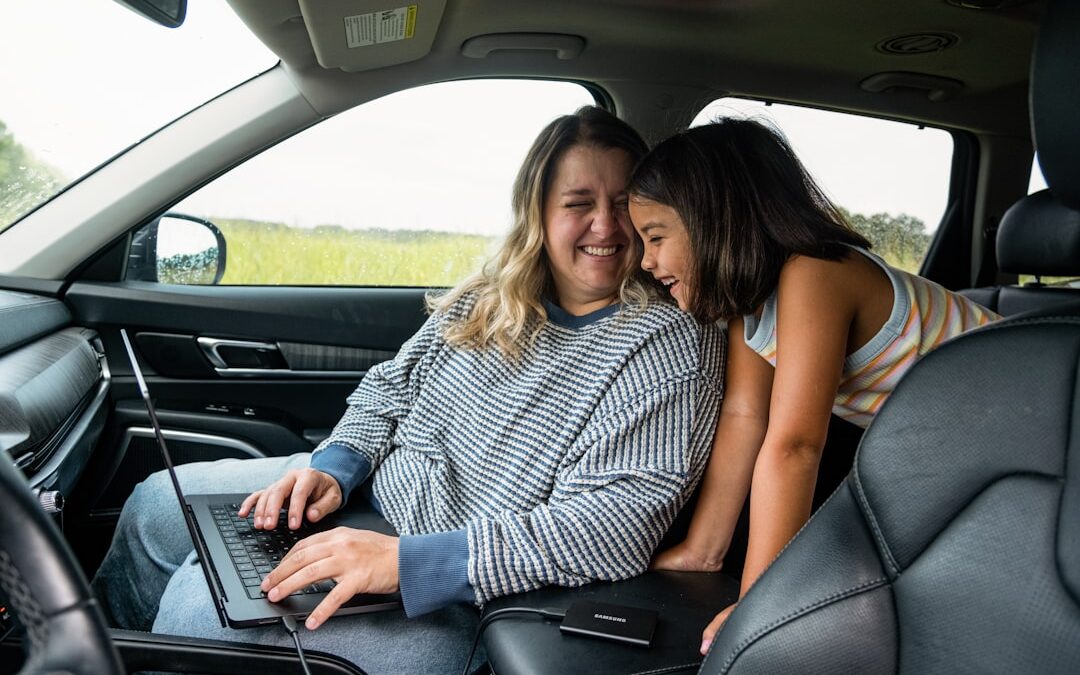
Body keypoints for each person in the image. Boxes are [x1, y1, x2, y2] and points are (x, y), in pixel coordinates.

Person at [91, 106, 725, 674]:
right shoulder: (489, 298)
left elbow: (611, 527)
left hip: (458, 589)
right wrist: (334, 468)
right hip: (366, 503)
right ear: (539, 213)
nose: (606, 225)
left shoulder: (662, 342)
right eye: (578, 202)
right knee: (155, 506)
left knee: (201, 607)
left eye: (623, 203)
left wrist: (408, 563)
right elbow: (388, 388)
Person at [626, 117, 999, 655]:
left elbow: (796, 445)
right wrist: (703, 550)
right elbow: (745, 416)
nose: (646, 261)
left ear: (717, 222)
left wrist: (759, 604)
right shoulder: (752, 304)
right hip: (957, 447)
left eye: (656, 237)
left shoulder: (816, 272)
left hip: (1032, 415)